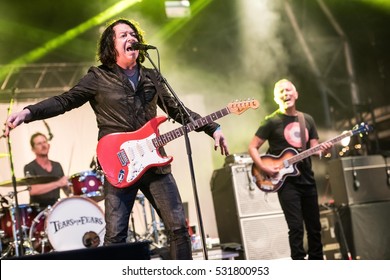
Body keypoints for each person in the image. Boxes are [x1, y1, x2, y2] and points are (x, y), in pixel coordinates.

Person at [4, 18, 229, 259]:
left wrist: (212, 128)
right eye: (123, 35)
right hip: (119, 164)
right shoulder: (98, 77)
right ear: (111, 47)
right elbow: (65, 100)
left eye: (133, 34)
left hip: (154, 164)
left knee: (179, 229)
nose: (130, 38)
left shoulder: (152, 76)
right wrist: (28, 113)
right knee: (115, 238)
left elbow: (178, 110)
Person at [248, 79, 331, 260]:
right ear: (277, 98)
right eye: (281, 92)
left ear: (296, 94)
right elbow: (253, 147)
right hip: (287, 184)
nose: (286, 94)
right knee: (296, 229)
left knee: (315, 229)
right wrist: (264, 168)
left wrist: (323, 151)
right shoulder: (271, 121)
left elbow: (315, 150)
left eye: (288, 90)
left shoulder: (307, 120)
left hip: (308, 180)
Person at [24, 132, 70, 208]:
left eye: (44, 142)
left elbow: (67, 191)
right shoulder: (29, 167)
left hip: (56, 208)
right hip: (38, 211)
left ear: (49, 145)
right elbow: (33, 190)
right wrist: (58, 183)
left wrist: (67, 186)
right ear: (33, 149)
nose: (43, 145)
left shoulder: (57, 165)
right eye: (39, 143)